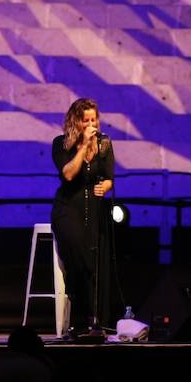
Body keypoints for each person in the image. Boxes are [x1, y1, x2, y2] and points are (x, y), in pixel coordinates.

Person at [51, 97, 115, 337]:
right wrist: (83, 147)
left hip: (94, 210)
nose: (91, 124)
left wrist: (105, 186)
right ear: (76, 121)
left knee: (94, 260)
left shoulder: (105, 144)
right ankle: (80, 320)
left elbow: (109, 176)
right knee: (79, 258)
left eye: (93, 119)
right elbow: (68, 174)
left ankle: (95, 321)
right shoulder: (61, 144)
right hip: (67, 209)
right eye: (86, 120)